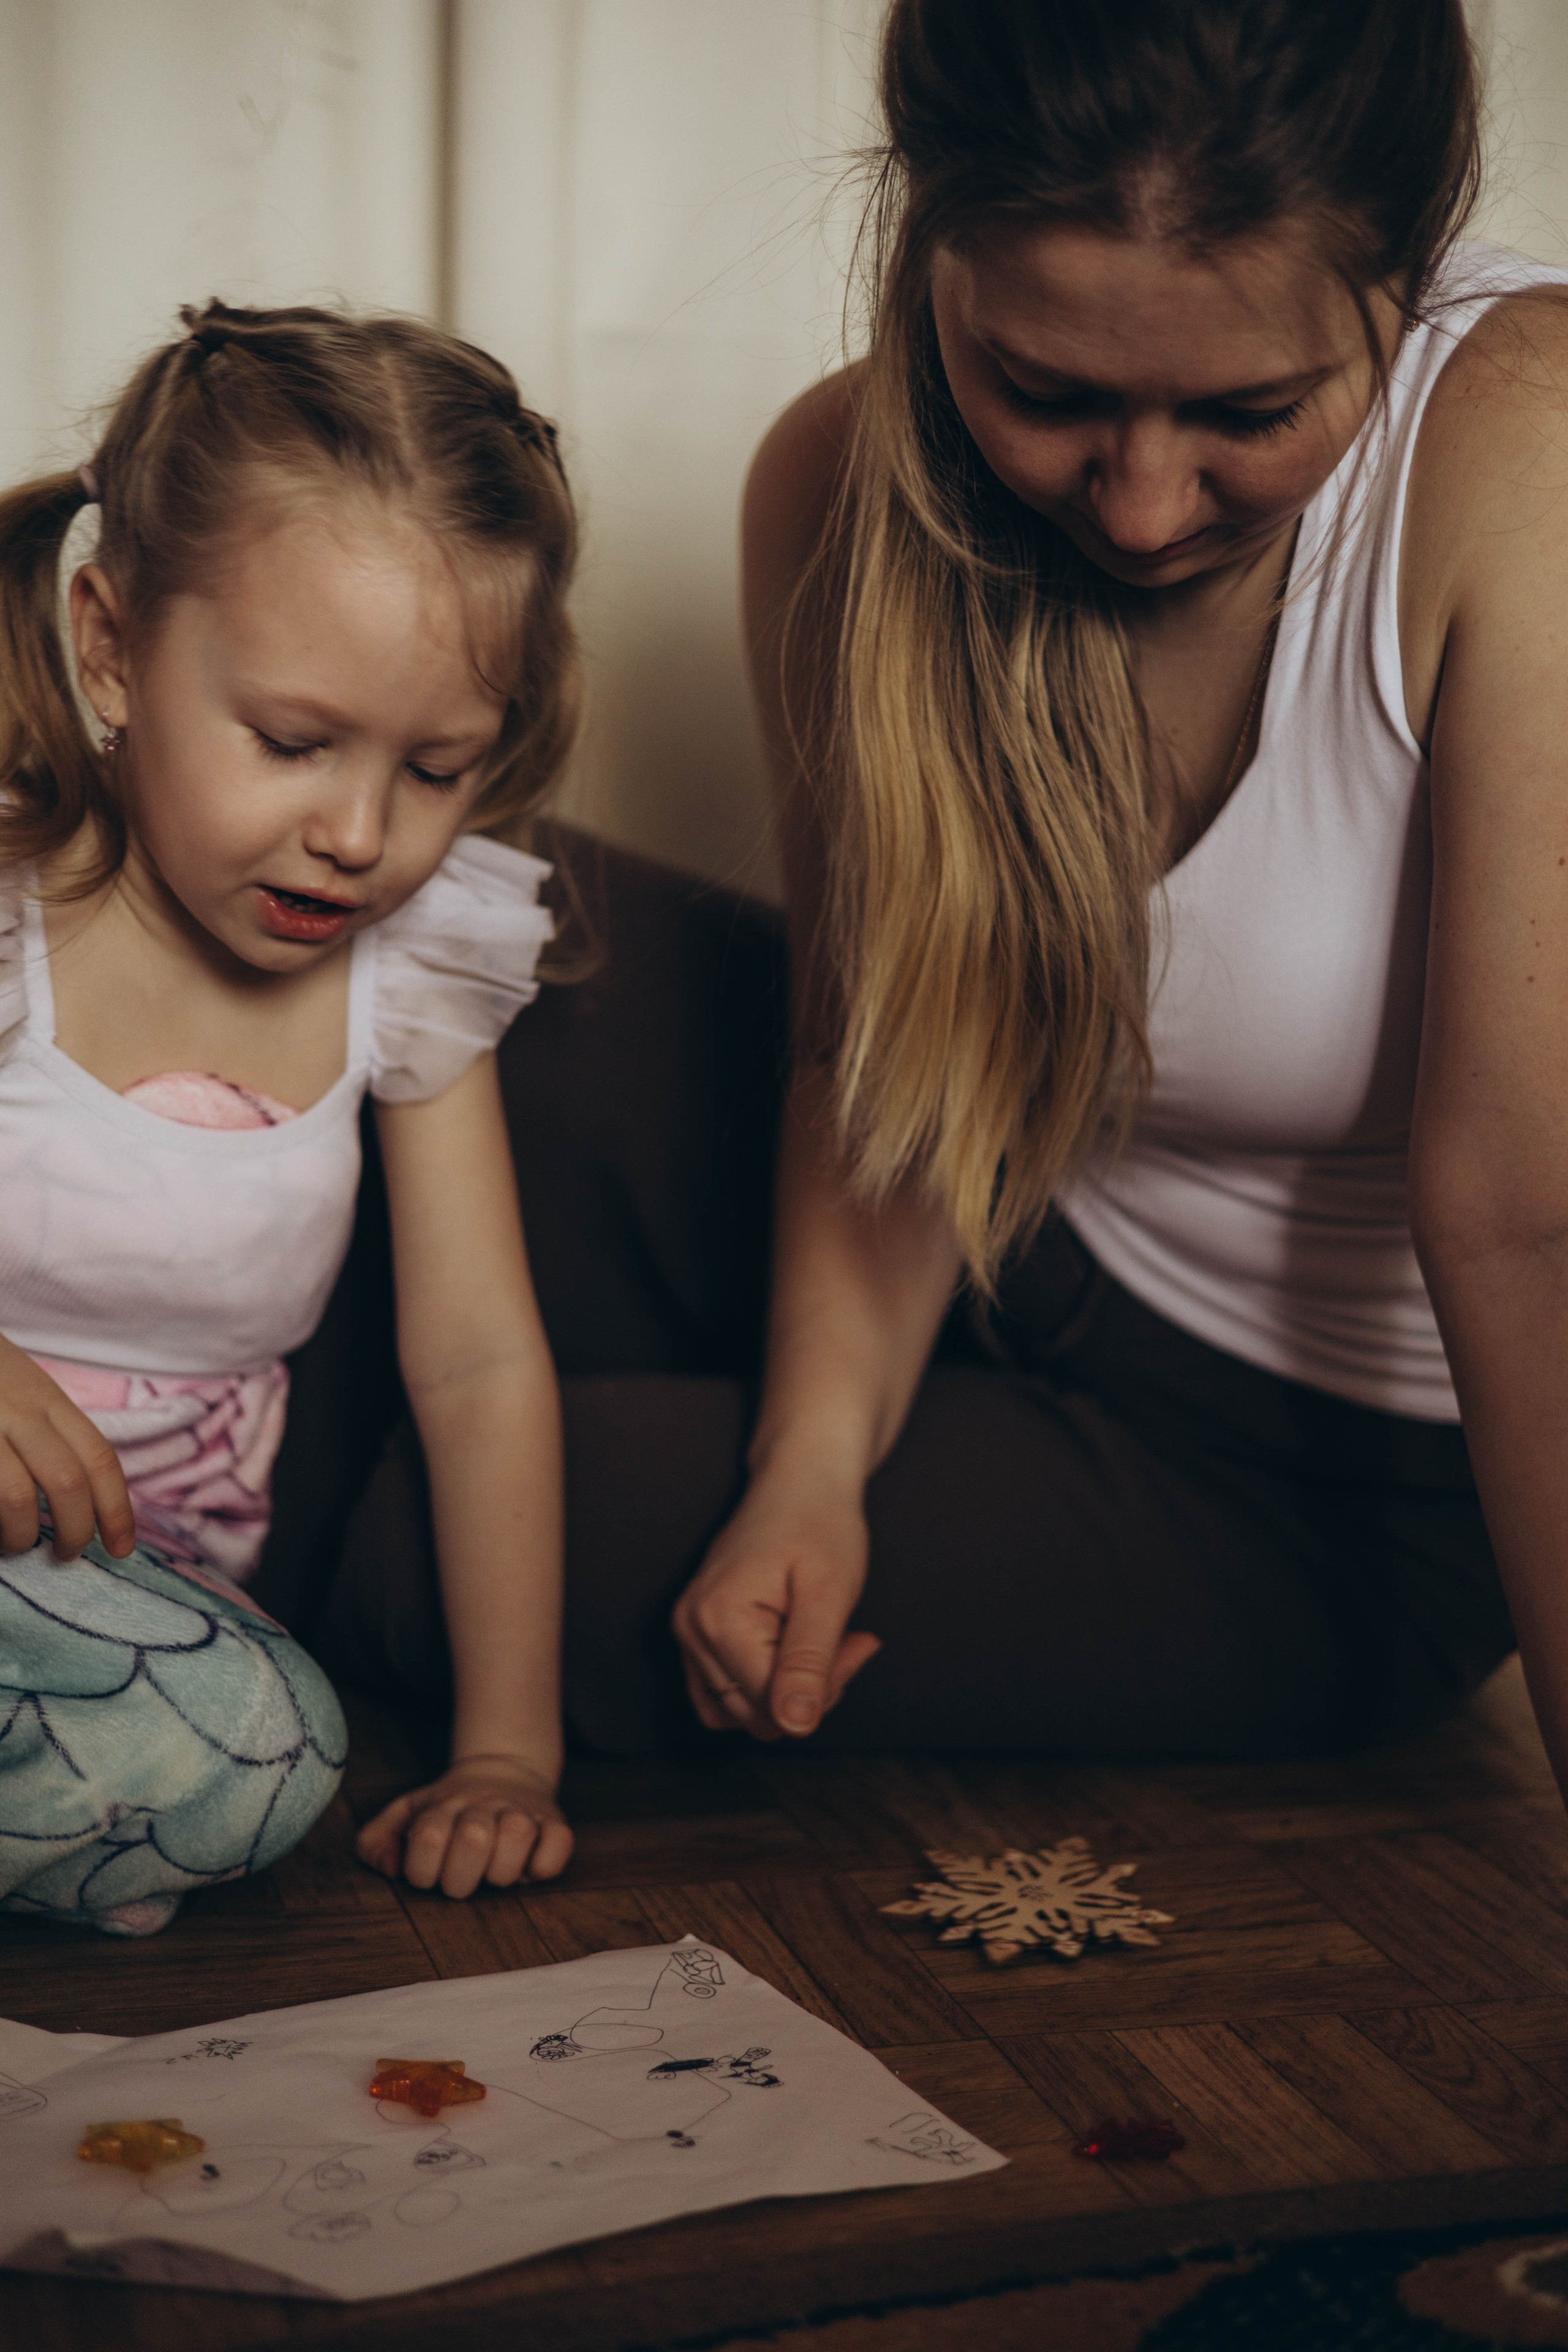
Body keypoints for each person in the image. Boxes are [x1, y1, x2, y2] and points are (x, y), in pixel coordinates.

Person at [318, 0, 1568, 1789]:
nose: (1139, 510)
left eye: (1248, 411)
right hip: (991, 1239)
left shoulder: (1532, 441)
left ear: (1406, 270)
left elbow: (1530, 1226)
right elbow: (878, 1060)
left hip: (1309, 1475)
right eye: (1048, 394)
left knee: (441, 1565)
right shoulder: (833, 477)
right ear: (936, 245)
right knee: (425, 921)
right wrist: (811, 1467)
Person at [0, 300, 577, 1931]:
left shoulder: (412, 978)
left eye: (439, 766)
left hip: (139, 1660)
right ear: (111, 648)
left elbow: (474, 1364)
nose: (359, 834)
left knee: (262, 1754)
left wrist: (507, 1756)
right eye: (295, 742)